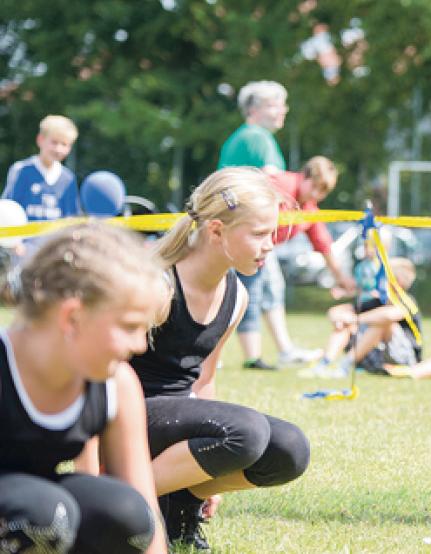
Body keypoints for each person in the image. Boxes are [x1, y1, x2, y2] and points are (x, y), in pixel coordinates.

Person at [130, 167, 310, 550]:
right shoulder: (158, 287)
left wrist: (209, 466)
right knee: (246, 431)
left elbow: (203, 380)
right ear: (216, 231)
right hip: (129, 412)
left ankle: (181, 502)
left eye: (273, 233)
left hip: (175, 417)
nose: (270, 245)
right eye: (260, 234)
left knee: (290, 449)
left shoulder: (236, 298)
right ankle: (125, 497)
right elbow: (103, 376)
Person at [0, 223, 170, 553]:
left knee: (127, 513)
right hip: (32, 512)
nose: (140, 345)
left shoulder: (117, 384)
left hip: (37, 502)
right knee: (41, 517)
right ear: (72, 317)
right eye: (130, 326)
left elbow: (146, 512)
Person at [218, 80, 321, 370]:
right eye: (275, 104)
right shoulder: (257, 138)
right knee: (250, 288)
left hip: (241, 225)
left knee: (268, 285)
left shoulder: (246, 137)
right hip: (245, 227)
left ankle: (280, 349)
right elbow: (272, 184)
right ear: (253, 109)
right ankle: (249, 356)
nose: (282, 111)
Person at [270, 156, 355, 310]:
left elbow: (324, 245)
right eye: (314, 186)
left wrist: (341, 278)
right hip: (237, 243)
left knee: (272, 291)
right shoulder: (281, 185)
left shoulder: (309, 209)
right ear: (304, 175)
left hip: (261, 253)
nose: (316, 194)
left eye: (322, 191)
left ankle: (280, 336)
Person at [3, 115, 80, 222]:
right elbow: (7, 212)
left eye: (64, 144)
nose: (58, 149)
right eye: (54, 142)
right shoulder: (21, 171)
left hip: (55, 238)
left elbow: (71, 218)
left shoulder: (68, 178)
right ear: (40, 140)